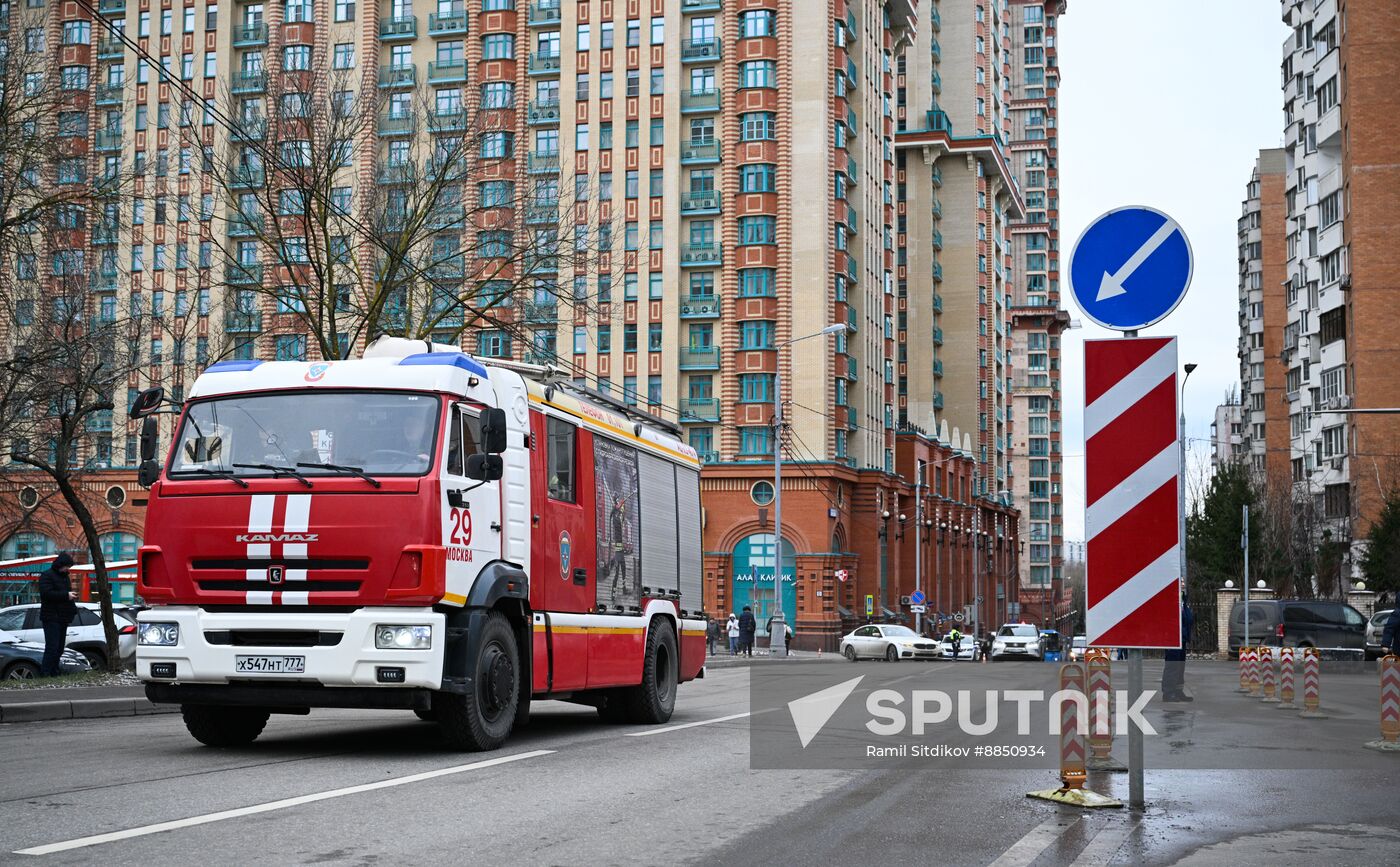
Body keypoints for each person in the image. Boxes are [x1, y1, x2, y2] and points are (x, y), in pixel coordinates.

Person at [37, 553, 78, 677]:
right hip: (51, 617)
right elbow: (46, 594)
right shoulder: (47, 575)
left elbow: (62, 594)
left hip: (62, 617)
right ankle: (45, 673)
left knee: (59, 648)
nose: (68, 569)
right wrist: (67, 595)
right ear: (60, 564)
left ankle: (54, 671)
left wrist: (70, 601)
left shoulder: (65, 577)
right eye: (67, 566)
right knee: (52, 647)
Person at [1162, 594, 1195, 702]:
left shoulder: (1183, 601)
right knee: (1172, 666)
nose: (1183, 583)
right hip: (1172, 639)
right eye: (1180, 581)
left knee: (1180, 667)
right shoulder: (1170, 600)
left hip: (1182, 638)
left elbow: (1188, 618)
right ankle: (1168, 693)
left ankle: (1178, 691)